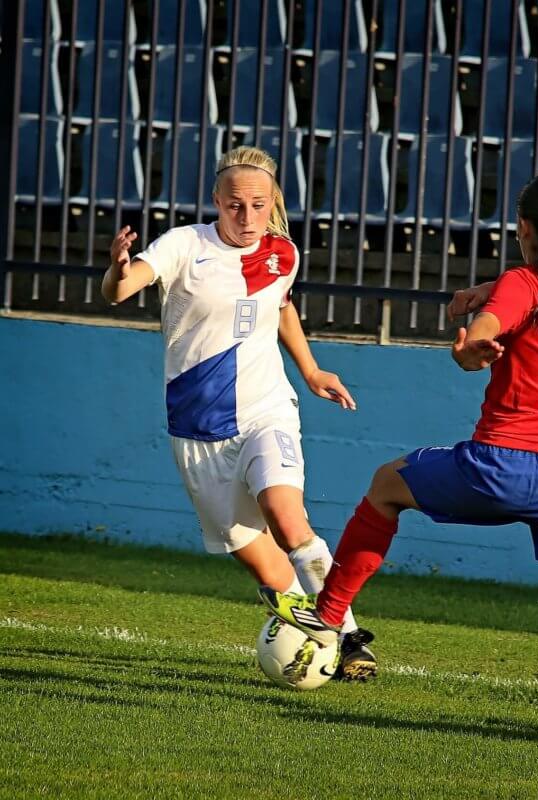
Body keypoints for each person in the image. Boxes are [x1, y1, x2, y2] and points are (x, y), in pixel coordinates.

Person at [262, 174, 538, 738]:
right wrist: (486, 293)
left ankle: (326, 619)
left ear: (523, 229)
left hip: (503, 466)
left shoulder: (521, 283)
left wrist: (473, 344)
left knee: (386, 485)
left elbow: (494, 325)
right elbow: (537, 290)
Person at [101, 145, 377, 681]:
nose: (246, 216)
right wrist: (117, 269)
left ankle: (346, 639)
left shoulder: (283, 254)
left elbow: (281, 306)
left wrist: (312, 371)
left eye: (257, 204)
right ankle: (316, 641)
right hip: (198, 431)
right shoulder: (185, 245)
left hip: (266, 408)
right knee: (264, 565)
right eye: (234, 205)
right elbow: (122, 289)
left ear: (271, 200)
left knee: (286, 516)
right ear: (216, 202)